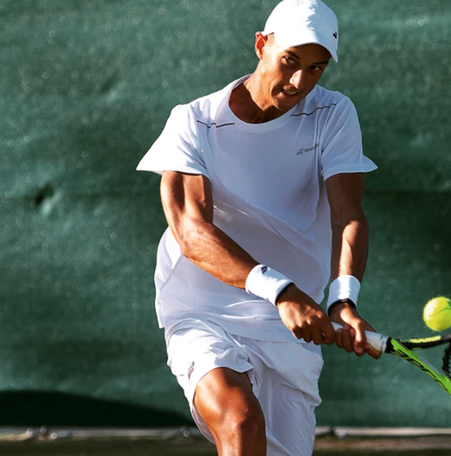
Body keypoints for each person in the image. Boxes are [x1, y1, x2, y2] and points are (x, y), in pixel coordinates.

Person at [136, 1, 380, 454]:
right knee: (240, 421)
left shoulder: (334, 114)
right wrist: (282, 291)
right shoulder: (194, 121)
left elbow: (347, 215)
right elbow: (192, 232)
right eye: (290, 61)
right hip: (204, 309)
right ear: (261, 44)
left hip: (287, 327)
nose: (299, 82)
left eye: (315, 69)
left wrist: (344, 299)